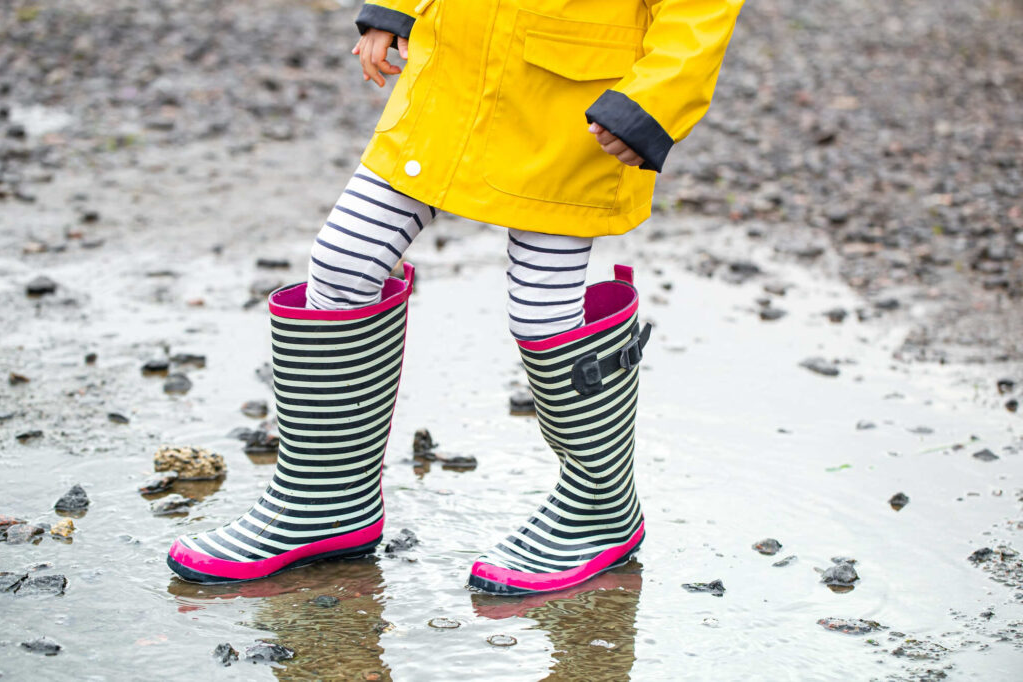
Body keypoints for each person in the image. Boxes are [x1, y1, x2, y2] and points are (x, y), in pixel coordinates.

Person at [166, 0, 743, 594]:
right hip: (451, 84)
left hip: (573, 113)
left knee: (544, 310)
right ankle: (323, 503)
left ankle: (600, 510)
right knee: (342, 260)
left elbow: (699, 12)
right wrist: (393, 8)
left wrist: (650, 106)